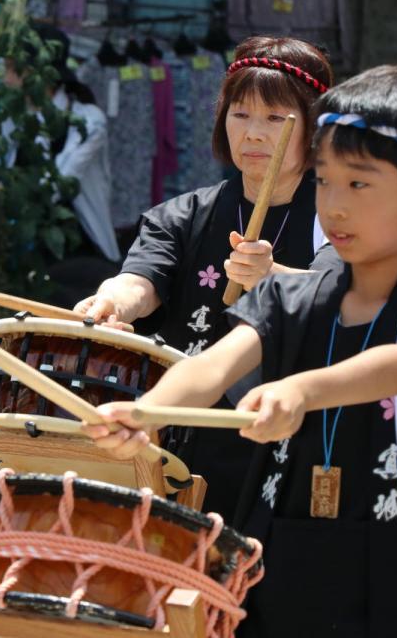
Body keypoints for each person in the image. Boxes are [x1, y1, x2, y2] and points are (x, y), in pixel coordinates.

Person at [84, 64, 397, 636]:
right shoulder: (294, 296)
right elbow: (212, 366)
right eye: (326, 181)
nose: (334, 205)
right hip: (285, 547)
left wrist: (300, 390)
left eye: (360, 184)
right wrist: (145, 413)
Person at [71, 36, 333, 521]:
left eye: (275, 118)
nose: (253, 133)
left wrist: (275, 277)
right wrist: (111, 303)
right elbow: (140, 280)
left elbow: (347, 299)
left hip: (287, 443)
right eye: (240, 114)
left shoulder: (336, 218)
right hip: (183, 437)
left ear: (314, 128)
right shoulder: (186, 214)